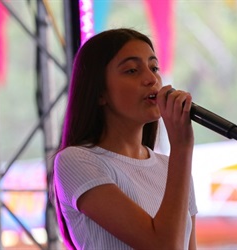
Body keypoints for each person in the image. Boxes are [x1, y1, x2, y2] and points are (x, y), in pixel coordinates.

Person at [51, 28, 197, 250]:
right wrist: (182, 147)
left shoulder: (171, 166)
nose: (151, 79)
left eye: (154, 67)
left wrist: (180, 153)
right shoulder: (76, 161)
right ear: (100, 93)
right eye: (131, 70)